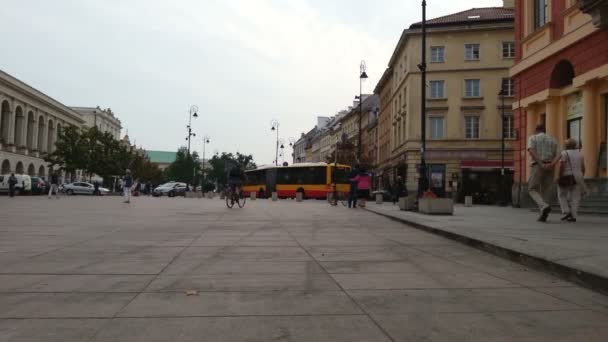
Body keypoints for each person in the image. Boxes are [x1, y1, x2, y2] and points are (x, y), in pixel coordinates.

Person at [527, 124, 560, 222]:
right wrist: (552, 164)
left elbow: (531, 151)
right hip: (550, 166)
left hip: (538, 165)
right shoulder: (553, 139)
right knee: (545, 191)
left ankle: (544, 206)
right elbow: (559, 154)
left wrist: (540, 163)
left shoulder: (533, 138)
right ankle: (543, 215)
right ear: (544, 130)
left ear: (536, 130)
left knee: (532, 189)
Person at [555, 138, 587, 223]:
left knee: (561, 195)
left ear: (566, 145)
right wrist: (581, 175)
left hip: (566, 176)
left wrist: (559, 175)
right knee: (575, 197)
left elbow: (562, 166)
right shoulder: (580, 154)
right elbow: (583, 167)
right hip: (578, 177)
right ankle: (573, 216)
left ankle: (566, 211)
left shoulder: (564, 153)